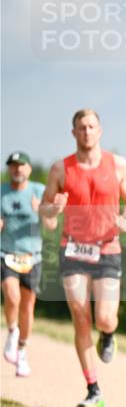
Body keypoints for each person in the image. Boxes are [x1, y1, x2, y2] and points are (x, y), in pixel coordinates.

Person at [40, 109, 126, 407]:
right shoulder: (61, 169)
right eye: (81, 127)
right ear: (73, 133)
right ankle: (93, 388)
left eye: (91, 126)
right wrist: (53, 209)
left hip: (108, 248)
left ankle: (108, 334)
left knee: (104, 318)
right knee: (80, 315)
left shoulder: (117, 164)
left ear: (100, 131)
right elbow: (45, 214)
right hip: (73, 250)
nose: (86, 132)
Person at [2, 151, 56, 376]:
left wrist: (41, 212)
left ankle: (22, 350)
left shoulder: (39, 191)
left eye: (21, 166)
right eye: (13, 166)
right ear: (9, 169)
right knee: (12, 297)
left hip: (32, 257)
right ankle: (12, 331)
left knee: (27, 305)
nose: (18, 170)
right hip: (6, 254)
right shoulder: (2, 192)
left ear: (29, 169)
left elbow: (52, 224)